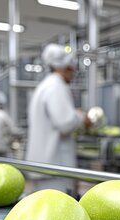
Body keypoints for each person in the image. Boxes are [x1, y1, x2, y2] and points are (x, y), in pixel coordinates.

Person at [25, 43, 92, 195]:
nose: (74, 72)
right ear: (67, 66)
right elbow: (65, 123)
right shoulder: (57, 86)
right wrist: (81, 117)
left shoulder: (45, 86)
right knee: (57, 212)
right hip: (55, 167)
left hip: (45, 166)